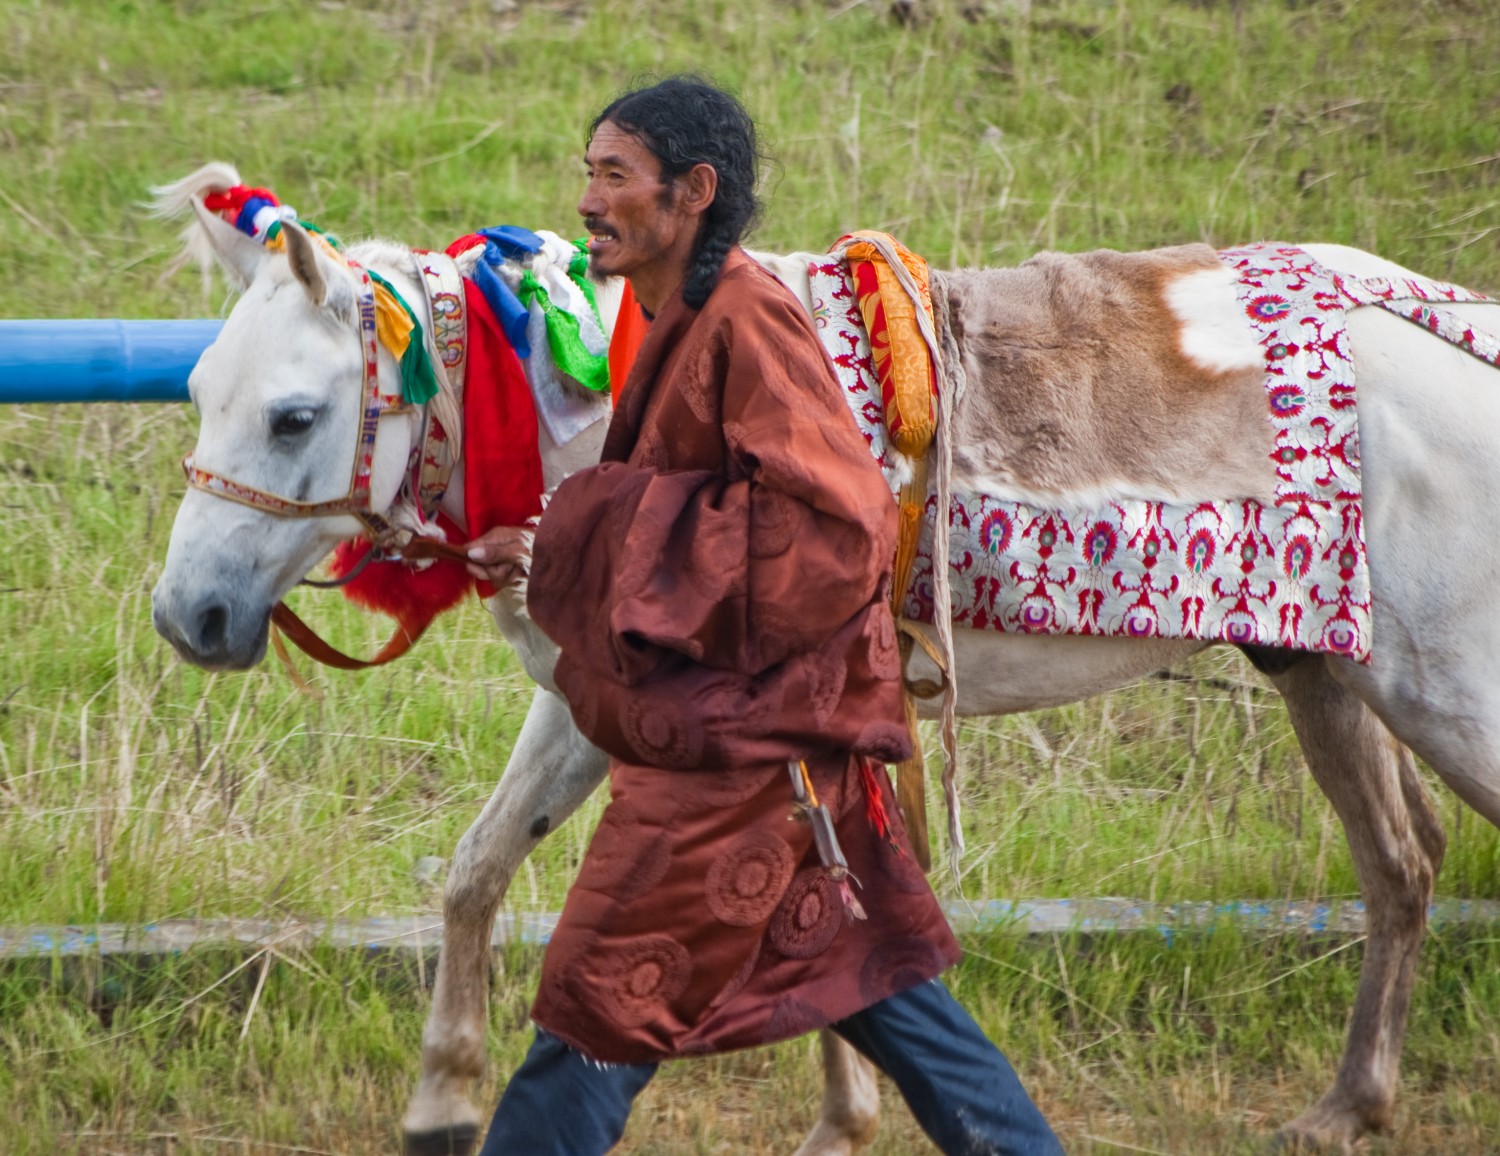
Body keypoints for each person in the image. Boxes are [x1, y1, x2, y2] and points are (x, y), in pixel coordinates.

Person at [464, 75, 1062, 1156]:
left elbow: (836, 529)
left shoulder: (749, 318)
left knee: (599, 995)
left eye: (614, 175)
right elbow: (709, 518)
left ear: (692, 190)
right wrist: (559, 539)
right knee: (884, 986)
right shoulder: (678, 313)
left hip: (744, 770)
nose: (588, 201)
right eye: (586, 173)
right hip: (774, 758)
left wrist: (595, 526)